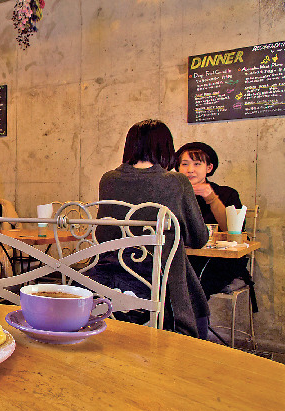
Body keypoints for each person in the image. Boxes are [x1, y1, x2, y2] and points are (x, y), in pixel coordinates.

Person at [86, 119, 209, 338]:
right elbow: (199, 239)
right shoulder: (176, 182)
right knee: (194, 298)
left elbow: (103, 234)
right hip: (159, 282)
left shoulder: (108, 180)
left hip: (109, 274)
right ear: (166, 148)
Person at [175, 142, 255, 306]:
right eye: (185, 164)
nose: (190, 169)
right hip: (183, 259)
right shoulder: (174, 194)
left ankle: (189, 330)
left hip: (220, 262)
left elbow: (233, 232)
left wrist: (210, 198)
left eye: (197, 164)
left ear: (209, 168)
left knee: (191, 285)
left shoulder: (226, 194)